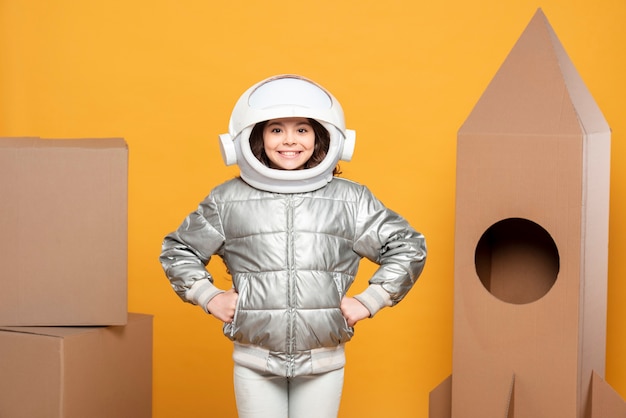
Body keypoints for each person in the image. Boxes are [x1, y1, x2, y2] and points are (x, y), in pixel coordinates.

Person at [159, 74, 427, 418]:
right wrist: (208, 296)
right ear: (255, 137)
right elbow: (178, 249)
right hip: (254, 359)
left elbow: (407, 246)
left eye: (302, 129)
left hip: (323, 362)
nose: (289, 140)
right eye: (276, 129)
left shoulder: (351, 200)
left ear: (324, 138)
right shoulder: (227, 199)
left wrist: (371, 299)